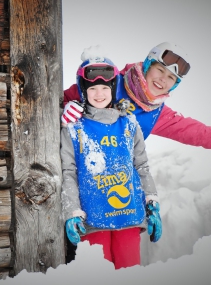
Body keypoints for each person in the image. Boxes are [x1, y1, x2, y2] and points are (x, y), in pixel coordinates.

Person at [62, 42, 211, 157]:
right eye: (160, 70)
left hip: (114, 181)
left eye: (171, 78)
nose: (162, 80)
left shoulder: (156, 113)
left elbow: (203, 134)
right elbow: (49, 104)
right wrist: (63, 109)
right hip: (71, 170)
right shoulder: (108, 81)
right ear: (148, 66)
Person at [60, 51, 162, 269]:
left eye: (105, 88)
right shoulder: (73, 128)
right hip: (93, 221)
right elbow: (68, 172)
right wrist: (72, 212)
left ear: (113, 89)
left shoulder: (129, 124)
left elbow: (141, 166)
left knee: (130, 271)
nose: (99, 94)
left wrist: (152, 204)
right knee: (99, 273)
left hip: (130, 217)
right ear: (83, 90)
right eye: (93, 88)